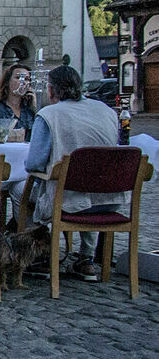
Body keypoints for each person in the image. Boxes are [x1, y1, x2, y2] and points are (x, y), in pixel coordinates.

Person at [21, 66, 123, 282]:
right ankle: (86, 259)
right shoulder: (106, 111)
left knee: (25, 194)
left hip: (67, 200)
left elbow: (35, 163)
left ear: (51, 90)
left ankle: (44, 256)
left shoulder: (49, 115)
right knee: (88, 185)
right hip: (109, 198)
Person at [0, 63, 36, 141]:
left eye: (27, 79)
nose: (23, 82)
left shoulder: (29, 111)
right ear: (7, 82)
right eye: (18, 78)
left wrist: (35, 107)